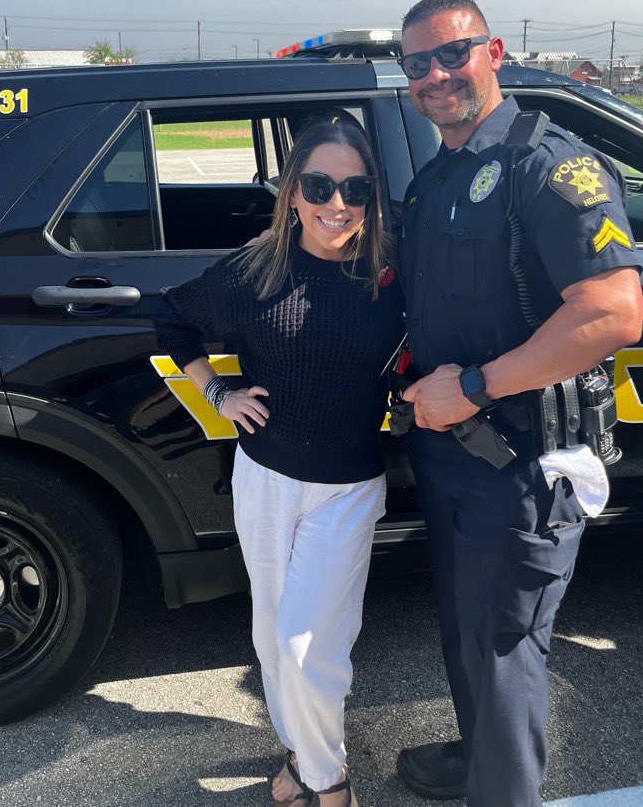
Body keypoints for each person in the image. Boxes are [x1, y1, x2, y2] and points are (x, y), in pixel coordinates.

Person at [392, 0, 643, 807]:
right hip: (453, 455)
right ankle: (483, 760)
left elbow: (612, 312)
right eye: (418, 63)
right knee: (469, 632)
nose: (436, 75)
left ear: (492, 51)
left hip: (524, 458)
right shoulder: (436, 180)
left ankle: (505, 790)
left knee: (503, 644)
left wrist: (471, 387)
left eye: (451, 53)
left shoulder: (550, 165)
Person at [156, 119, 405, 807]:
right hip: (263, 478)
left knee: (307, 649)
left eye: (355, 187)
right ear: (293, 192)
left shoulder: (393, 272)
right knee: (272, 640)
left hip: (347, 488)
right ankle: (303, 756)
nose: (338, 203)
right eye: (320, 185)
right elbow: (171, 319)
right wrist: (218, 391)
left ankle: (332, 783)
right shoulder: (258, 268)